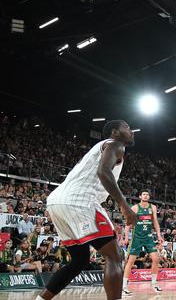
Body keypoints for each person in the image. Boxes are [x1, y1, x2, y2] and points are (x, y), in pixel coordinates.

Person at [37, 120, 137, 300]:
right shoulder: (116, 145)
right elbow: (103, 172)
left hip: (56, 202)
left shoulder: (101, 147)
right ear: (114, 132)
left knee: (79, 261)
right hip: (80, 201)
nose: (132, 131)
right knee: (115, 256)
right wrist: (124, 205)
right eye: (127, 128)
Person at [121, 190, 164, 295]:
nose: (145, 196)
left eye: (147, 194)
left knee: (156, 258)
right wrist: (126, 237)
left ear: (149, 197)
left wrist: (159, 235)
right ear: (140, 196)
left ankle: (154, 283)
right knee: (131, 261)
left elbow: (155, 222)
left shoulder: (153, 207)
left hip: (148, 237)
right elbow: (128, 223)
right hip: (137, 238)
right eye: (143, 194)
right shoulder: (135, 208)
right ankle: (124, 286)